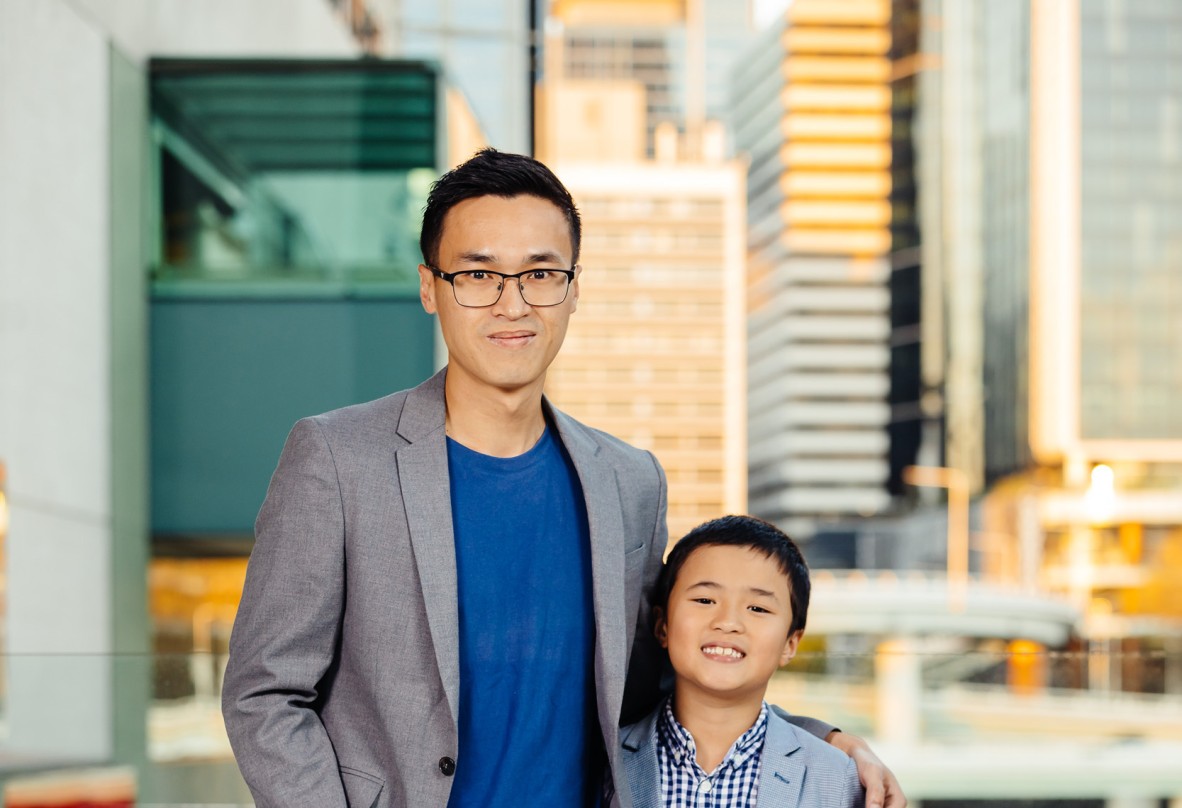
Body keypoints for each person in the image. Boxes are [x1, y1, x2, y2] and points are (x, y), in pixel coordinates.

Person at [221, 149, 904, 808]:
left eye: (541, 274)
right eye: (479, 275)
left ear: (574, 289)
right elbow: (265, 692)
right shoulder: (338, 459)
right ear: (431, 287)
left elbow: (662, 682)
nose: (513, 304)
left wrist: (827, 741)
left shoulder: (629, 483)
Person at [617, 515, 863, 808]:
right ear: (662, 626)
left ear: (790, 643)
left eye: (757, 608)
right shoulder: (605, 761)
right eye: (705, 600)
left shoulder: (836, 778)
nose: (728, 622)